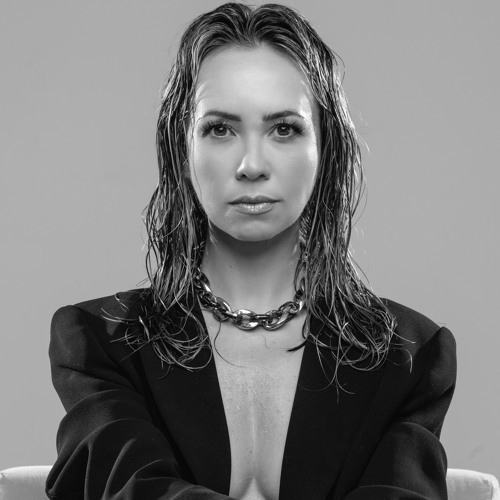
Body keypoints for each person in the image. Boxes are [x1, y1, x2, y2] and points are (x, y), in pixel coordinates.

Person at [46, 3, 456, 499]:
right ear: (182, 148)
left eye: (284, 128)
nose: (251, 164)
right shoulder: (98, 343)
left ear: (326, 147)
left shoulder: (409, 357)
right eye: (220, 128)